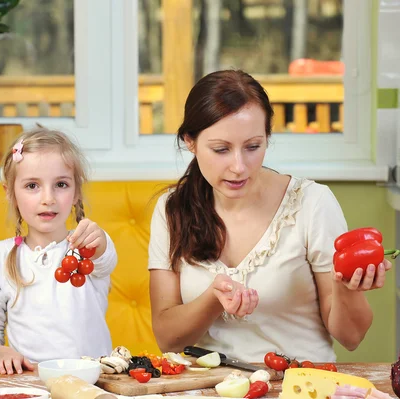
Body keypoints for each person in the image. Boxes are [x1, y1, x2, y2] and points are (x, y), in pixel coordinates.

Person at [148, 70, 392, 363]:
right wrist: (213, 300)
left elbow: (351, 338)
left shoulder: (311, 203)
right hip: (208, 387)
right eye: (221, 149)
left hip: (299, 385)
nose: (239, 166)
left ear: (267, 138)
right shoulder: (171, 210)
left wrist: (345, 288)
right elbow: (167, 338)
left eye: (253, 147)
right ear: (190, 141)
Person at [0, 127, 117, 374]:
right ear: (11, 193)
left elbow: (105, 257)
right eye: (32, 186)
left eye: (61, 184)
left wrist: (98, 239)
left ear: (77, 191)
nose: (48, 198)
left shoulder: (88, 246)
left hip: (92, 382)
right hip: (30, 383)